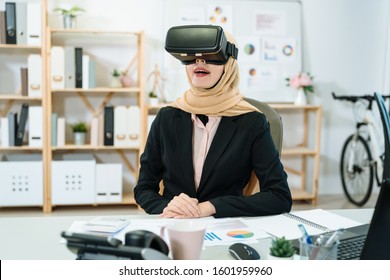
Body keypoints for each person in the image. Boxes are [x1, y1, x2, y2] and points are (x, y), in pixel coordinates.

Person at [134, 25, 292, 218]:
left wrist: (210, 207)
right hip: (174, 223)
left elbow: (280, 197)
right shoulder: (166, 118)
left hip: (224, 226)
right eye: (191, 55)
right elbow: (144, 188)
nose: (199, 60)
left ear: (229, 64)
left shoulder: (252, 122)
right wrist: (168, 207)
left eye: (211, 54)